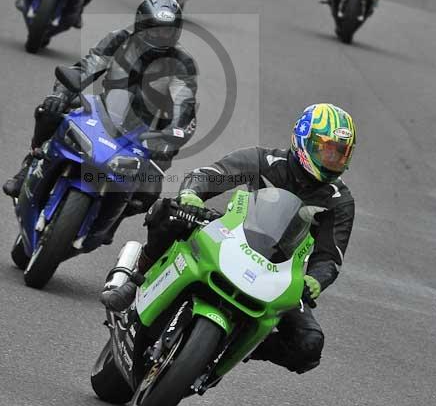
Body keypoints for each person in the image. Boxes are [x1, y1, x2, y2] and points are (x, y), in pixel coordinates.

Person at [102, 102, 356, 376]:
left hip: (278, 274)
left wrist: (315, 280)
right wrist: (192, 195)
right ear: (304, 139)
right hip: (232, 240)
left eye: (340, 154)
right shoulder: (263, 161)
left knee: (309, 345)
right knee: (170, 211)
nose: (333, 160)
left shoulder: (339, 201)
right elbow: (210, 175)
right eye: (326, 150)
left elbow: (330, 256)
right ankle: (136, 278)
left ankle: (240, 347)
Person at [3, 0, 198, 252]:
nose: (163, 37)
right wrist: (60, 95)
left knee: (148, 193)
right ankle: (30, 162)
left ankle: (110, 223)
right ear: (141, 25)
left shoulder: (183, 63)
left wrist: (172, 134)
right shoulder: (119, 40)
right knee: (49, 111)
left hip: (149, 133)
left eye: (169, 31)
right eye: (157, 30)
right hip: (105, 112)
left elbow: (184, 102)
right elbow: (87, 66)